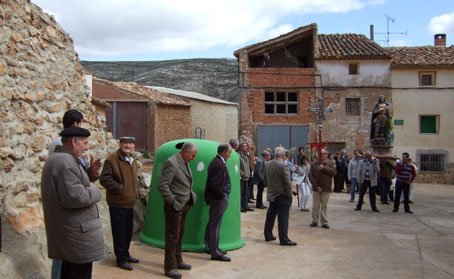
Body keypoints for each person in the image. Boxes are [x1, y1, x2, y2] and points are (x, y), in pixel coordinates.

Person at [41, 126, 105, 279]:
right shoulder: (65, 162)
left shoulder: (64, 159)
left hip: (73, 235)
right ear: (74, 141)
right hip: (76, 236)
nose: (87, 147)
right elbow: (74, 196)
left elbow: (74, 184)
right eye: (85, 143)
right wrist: (95, 191)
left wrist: (91, 174)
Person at [157, 142, 199, 279]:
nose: (194, 158)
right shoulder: (172, 163)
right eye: (193, 155)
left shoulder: (184, 162)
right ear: (186, 152)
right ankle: (170, 267)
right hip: (175, 206)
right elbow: (162, 185)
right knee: (172, 236)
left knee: (179, 235)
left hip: (184, 204)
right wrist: (173, 202)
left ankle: (178, 260)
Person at [100, 137, 140, 271]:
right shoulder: (112, 159)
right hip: (118, 202)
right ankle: (121, 258)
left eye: (131, 143)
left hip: (129, 202)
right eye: (125, 143)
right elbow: (105, 179)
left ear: (134, 146)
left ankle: (126, 254)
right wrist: (121, 189)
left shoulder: (132, 160)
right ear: (120, 144)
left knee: (128, 231)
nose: (128, 145)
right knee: (120, 232)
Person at [204, 143, 232, 262]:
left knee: (213, 223)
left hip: (217, 199)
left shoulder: (218, 162)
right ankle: (214, 252)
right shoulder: (218, 164)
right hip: (217, 200)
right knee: (215, 225)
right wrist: (222, 196)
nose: (230, 156)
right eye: (229, 153)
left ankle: (212, 247)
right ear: (224, 152)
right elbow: (214, 185)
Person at [263, 147, 297, 246]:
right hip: (282, 195)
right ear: (283, 155)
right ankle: (284, 239)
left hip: (272, 193)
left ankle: (268, 234)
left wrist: (270, 187)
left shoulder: (267, 164)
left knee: (271, 215)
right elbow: (287, 182)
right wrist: (289, 193)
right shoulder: (284, 165)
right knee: (283, 218)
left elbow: (265, 179)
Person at [308, 148, 336, 229]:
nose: (322, 155)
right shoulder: (313, 164)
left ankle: (324, 221)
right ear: (317, 155)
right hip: (317, 189)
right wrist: (316, 186)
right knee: (315, 206)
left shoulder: (330, 163)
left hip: (326, 188)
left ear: (326, 155)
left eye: (324, 154)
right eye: (321, 154)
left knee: (324, 206)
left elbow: (334, 172)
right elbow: (310, 175)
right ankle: (315, 220)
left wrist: (324, 168)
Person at [239, 142, 253, 213]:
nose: (246, 148)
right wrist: (243, 174)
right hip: (242, 178)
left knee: (246, 193)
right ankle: (241, 207)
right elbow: (239, 168)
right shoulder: (239, 156)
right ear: (241, 148)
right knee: (241, 193)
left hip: (246, 178)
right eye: (245, 146)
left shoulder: (246, 155)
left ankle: (245, 206)